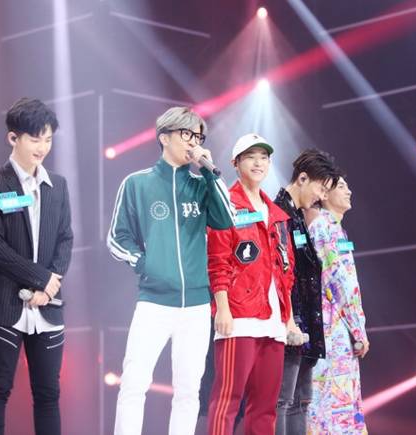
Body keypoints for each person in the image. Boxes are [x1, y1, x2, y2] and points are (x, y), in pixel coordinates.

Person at [107, 106, 235, 435]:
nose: (193, 142)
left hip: (196, 305)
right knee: (134, 382)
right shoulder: (136, 183)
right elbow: (117, 237)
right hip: (154, 301)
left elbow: (227, 220)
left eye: (198, 137)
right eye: (186, 134)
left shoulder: (201, 185)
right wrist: (144, 263)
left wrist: (211, 173)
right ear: (164, 137)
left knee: (189, 390)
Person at [0, 97, 73, 435]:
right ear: (13, 138)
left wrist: (51, 285)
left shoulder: (58, 185)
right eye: (35, 139)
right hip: (5, 302)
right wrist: (42, 279)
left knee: (48, 395)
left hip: (48, 306)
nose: (42, 147)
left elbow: (65, 238)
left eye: (48, 139)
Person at [206, 134, 296, 435]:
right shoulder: (226, 205)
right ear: (236, 163)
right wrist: (222, 309)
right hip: (239, 317)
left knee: (266, 407)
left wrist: (288, 319)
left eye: (264, 157)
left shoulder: (278, 216)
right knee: (227, 400)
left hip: (273, 321)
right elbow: (217, 260)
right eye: (251, 157)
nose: (258, 163)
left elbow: (286, 273)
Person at [272, 149, 339, 435]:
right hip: (290, 325)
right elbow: (279, 274)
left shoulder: (297, 218)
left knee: (300, 402)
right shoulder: (278, 214)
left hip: (306, 327)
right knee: (283, 401)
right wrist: (290, 322)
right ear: (302, 178)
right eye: (320, 189)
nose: (321, 197)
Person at [306, 176, 368, 434]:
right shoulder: (323, 226)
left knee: (342, 401)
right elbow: (337, 281)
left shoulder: (336, 228)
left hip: (339, 327)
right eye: (341, 186)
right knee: (331, 404)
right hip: (331, 329)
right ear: (324, 194)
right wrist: (358, 328)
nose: (349, 191)